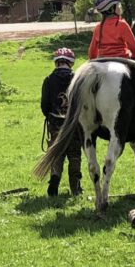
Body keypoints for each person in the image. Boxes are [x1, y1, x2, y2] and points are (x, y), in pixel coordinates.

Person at [41, 47, 83, 196]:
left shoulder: (48, 80)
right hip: (74, 123)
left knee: (57, 152)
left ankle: (55, 178)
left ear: (56, 63)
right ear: (71, 63)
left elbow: (44, 105)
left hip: (55, 122)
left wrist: (51, 116)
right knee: (74, 155)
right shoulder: (77, 79)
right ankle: (75, 187)